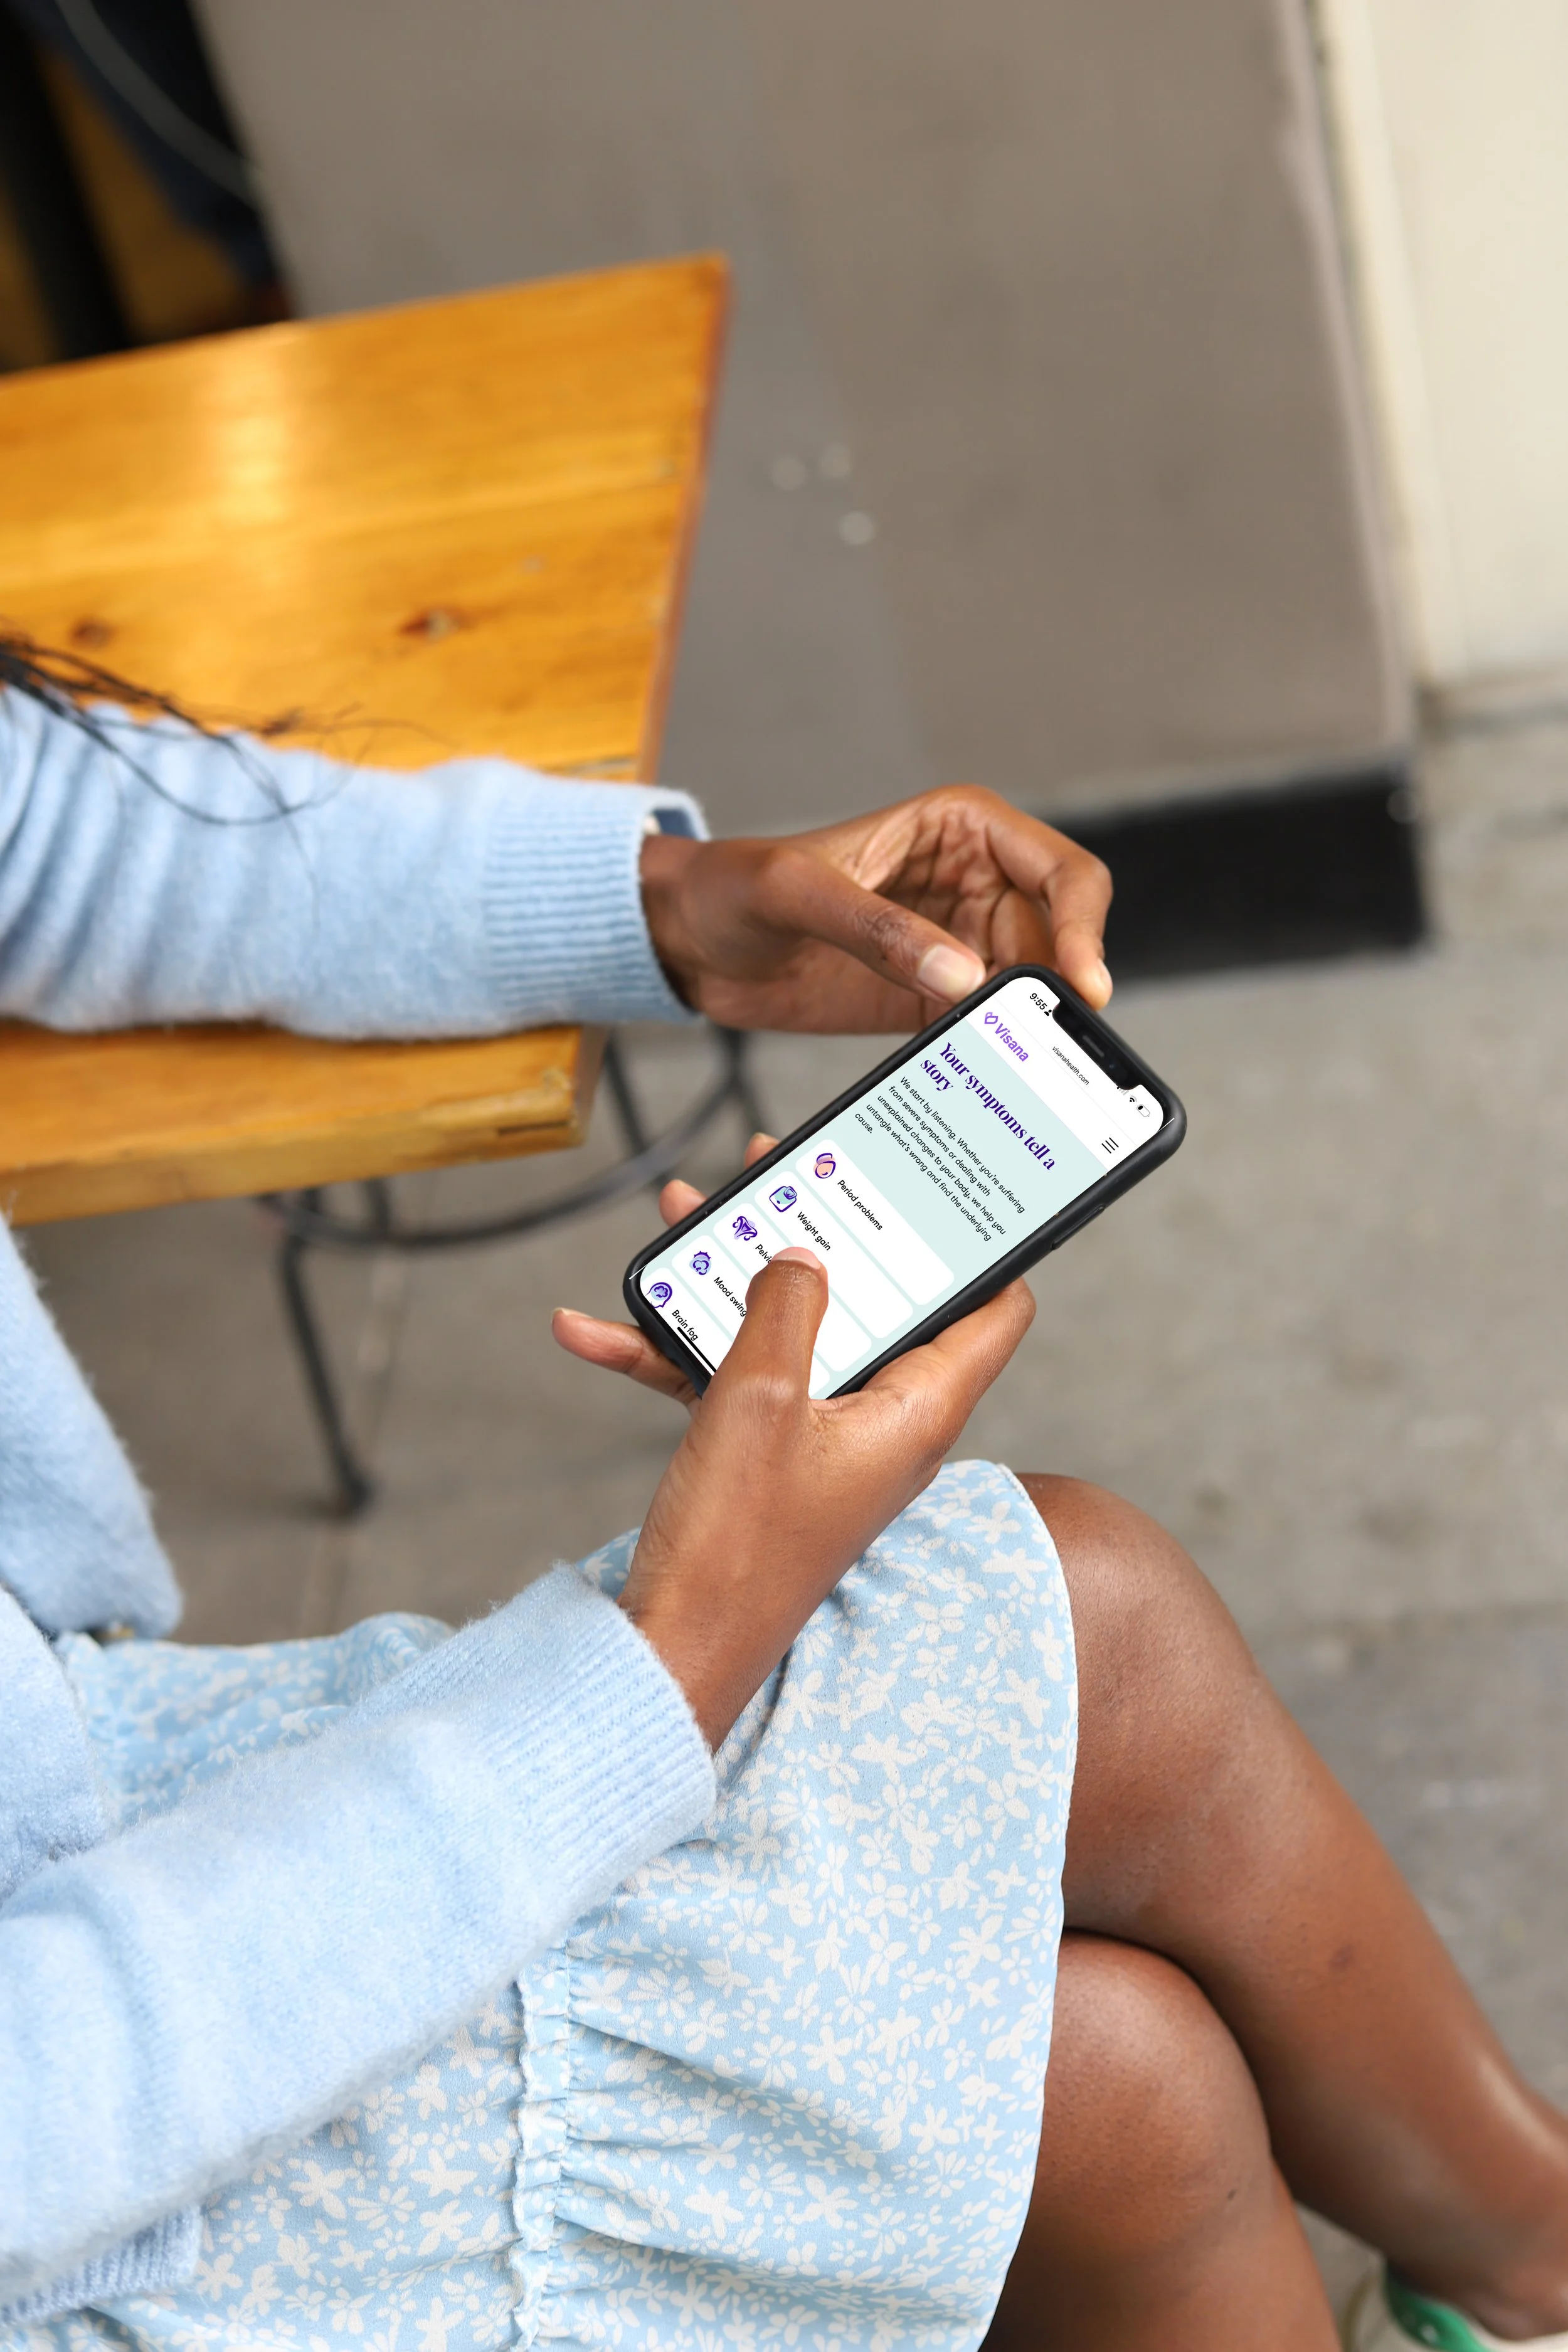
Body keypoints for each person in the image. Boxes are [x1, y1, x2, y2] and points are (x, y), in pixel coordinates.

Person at [0, 644, 1566, 2352]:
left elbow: (55, 835)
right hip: (76, 2156)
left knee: (1083, 1694)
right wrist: (667, 1657)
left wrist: (677, 901)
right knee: (1110, 2083)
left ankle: (1532, 2268)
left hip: (71, 1775)